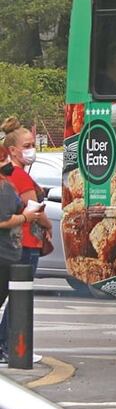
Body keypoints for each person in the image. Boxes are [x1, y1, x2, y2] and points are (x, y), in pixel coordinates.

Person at [0, 124, 51, 362]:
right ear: (12, 150)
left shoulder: (14, 174)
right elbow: (34, 211)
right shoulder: (18, 175)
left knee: (14, 296)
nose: (32, 150)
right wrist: (48, 226)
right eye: (27, 146)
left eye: (33, 145)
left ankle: (7, 345)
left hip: (18, 242)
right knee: (20, 297)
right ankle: (11, 346)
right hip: (26, 242)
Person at [0, 149, 33, 365]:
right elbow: (2, 220)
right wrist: (24, 217)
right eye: (3, 159)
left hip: (9, 254)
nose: (8, 163)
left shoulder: (6, 186)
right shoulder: (2, 189)